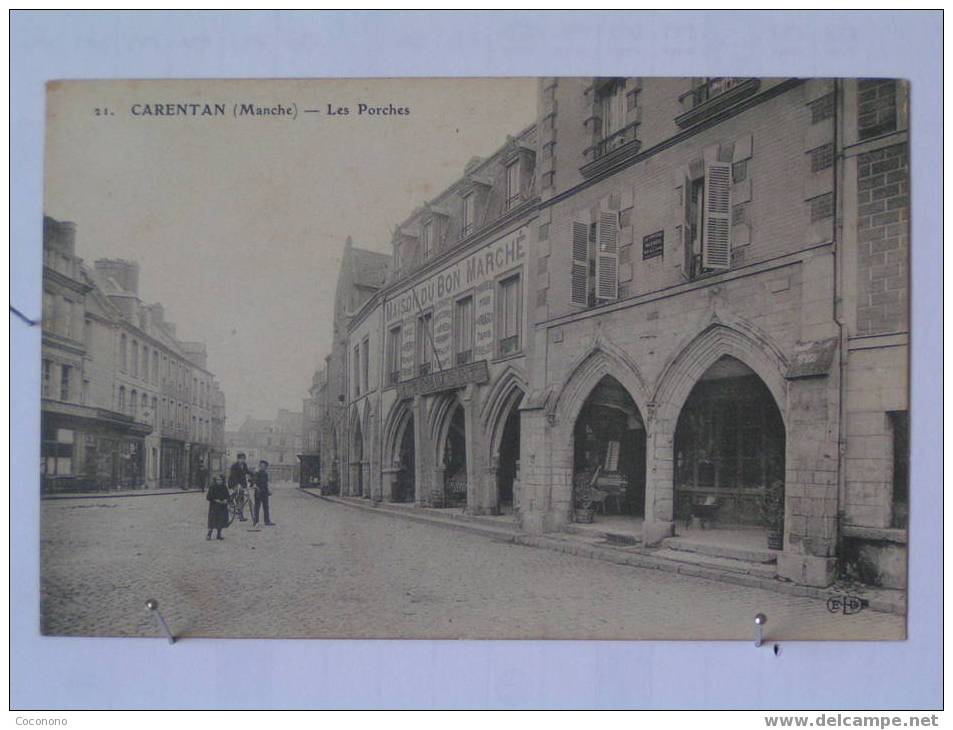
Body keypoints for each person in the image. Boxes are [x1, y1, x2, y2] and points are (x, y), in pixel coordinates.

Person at [227, 452, 250, 522]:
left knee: (241, 500)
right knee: (236, 491)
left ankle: (241, 516)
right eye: (240, 459)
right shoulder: (234, 466)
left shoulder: (244, 465)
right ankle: (230, 500)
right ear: (238, 459)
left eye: (243, 459)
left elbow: (247, 471)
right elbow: (234, 476)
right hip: (234, 482)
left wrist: (254, 473)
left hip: (242, 483)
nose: (242, 460)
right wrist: (237, 484)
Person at [252, 460, 275, 527]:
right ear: (260, 466)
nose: (263, 467)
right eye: (261, 466)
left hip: (264, 493)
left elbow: (265, 484)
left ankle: (267, 521)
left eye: (264, 466)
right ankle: (256, 522)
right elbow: (254, 481)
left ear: (266, 467)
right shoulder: (257, 473)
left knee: (266, 507)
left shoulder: (265, 474)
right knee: (257, 507)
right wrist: (256, 486)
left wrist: (268, 491)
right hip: (258, 493)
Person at [206, 475, 230, 540]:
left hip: (222, 506)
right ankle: (209, 534)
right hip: (214, 506)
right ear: (215, 480)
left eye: (220, 480)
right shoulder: (212, 487)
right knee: (212, 521)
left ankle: (219, 534)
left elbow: (228, 496)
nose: (219, 481)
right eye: (218, 480)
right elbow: (208, 497)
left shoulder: (224, 487)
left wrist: (226, 500)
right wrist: (216, 500)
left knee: (221, 521)